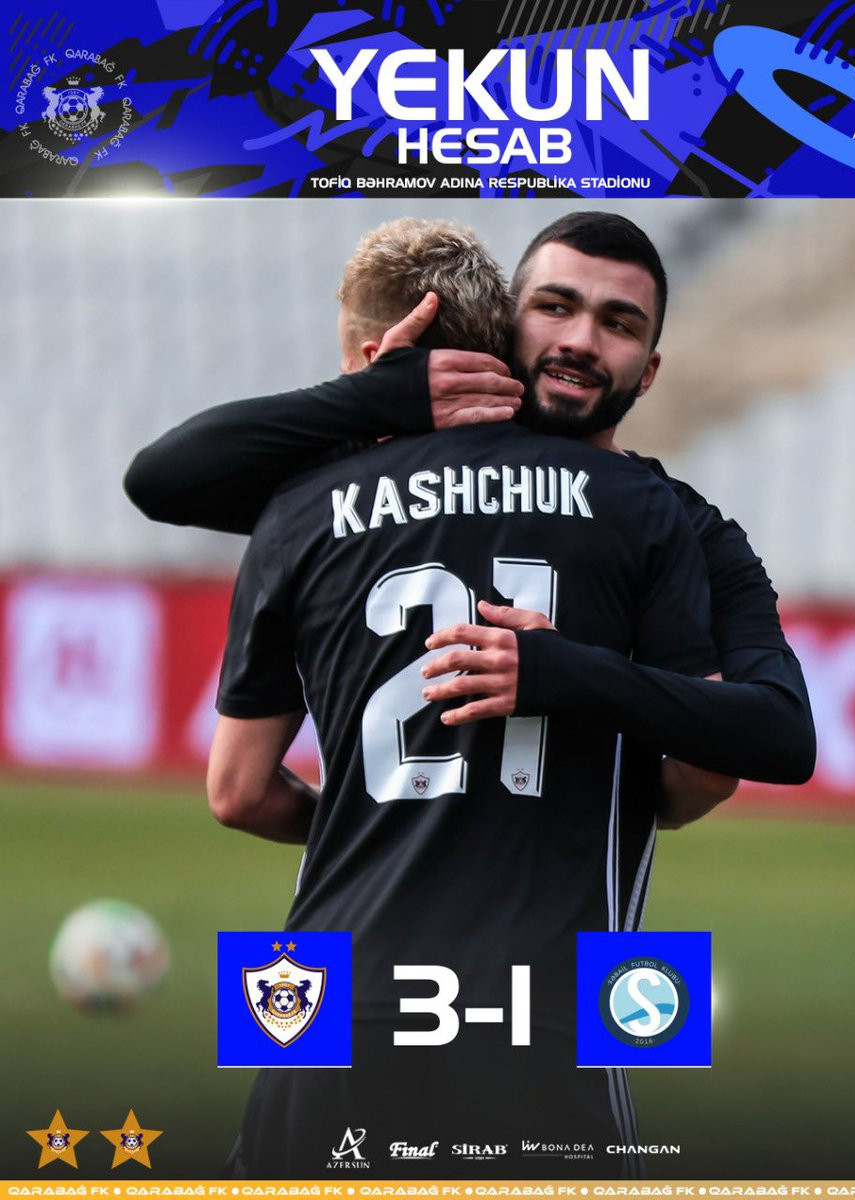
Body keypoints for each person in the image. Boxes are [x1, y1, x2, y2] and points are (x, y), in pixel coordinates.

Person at [124, 215, 816, 1177]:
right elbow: (731, 761)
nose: (580, 340)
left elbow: (235, 787)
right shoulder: (658, 515)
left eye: (616, 323)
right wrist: (601, 735)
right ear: (502, 328)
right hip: (549, 1008)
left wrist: (366, 399)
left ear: (649, 368)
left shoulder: (310, 503)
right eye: (556, 307)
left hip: (318, 996)